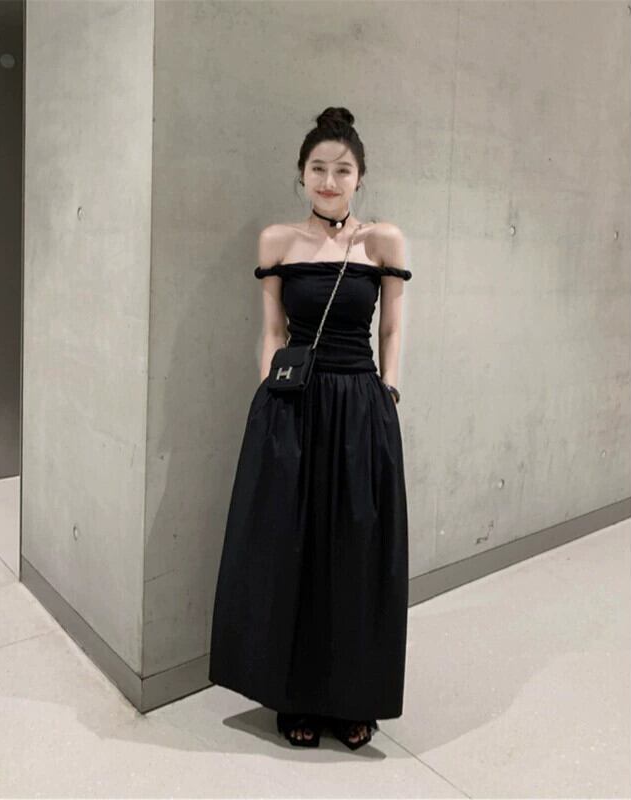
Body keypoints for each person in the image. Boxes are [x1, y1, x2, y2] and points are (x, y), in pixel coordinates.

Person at [208, 106, 411, 751]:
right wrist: (270, 396)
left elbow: (392, 327)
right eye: (318, 168)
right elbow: (272, 330)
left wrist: (388, 390)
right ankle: (293, 695)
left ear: (360, 177)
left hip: (360, 407)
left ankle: (354, 698)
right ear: (301, 175)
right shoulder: (278, 241)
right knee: (289, 549)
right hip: (292, 406)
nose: (329, 180)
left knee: (356, 552)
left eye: (342, 170)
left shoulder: (383, 242)